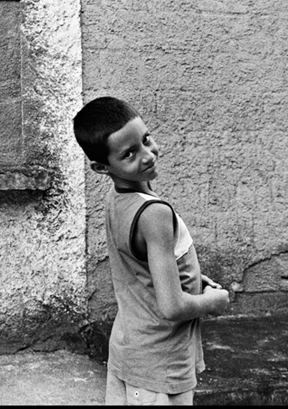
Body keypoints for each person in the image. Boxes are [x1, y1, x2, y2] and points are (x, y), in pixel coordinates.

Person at [72, 96, 229, 406]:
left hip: (130, 349)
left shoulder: (117, 200)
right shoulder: (154, 214)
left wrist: (193, 279)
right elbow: (171, 307)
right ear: (102, 167)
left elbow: (141, 268)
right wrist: (212, 302)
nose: (147, 155)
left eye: (146, 139)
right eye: (130, 153)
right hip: (160, 364)